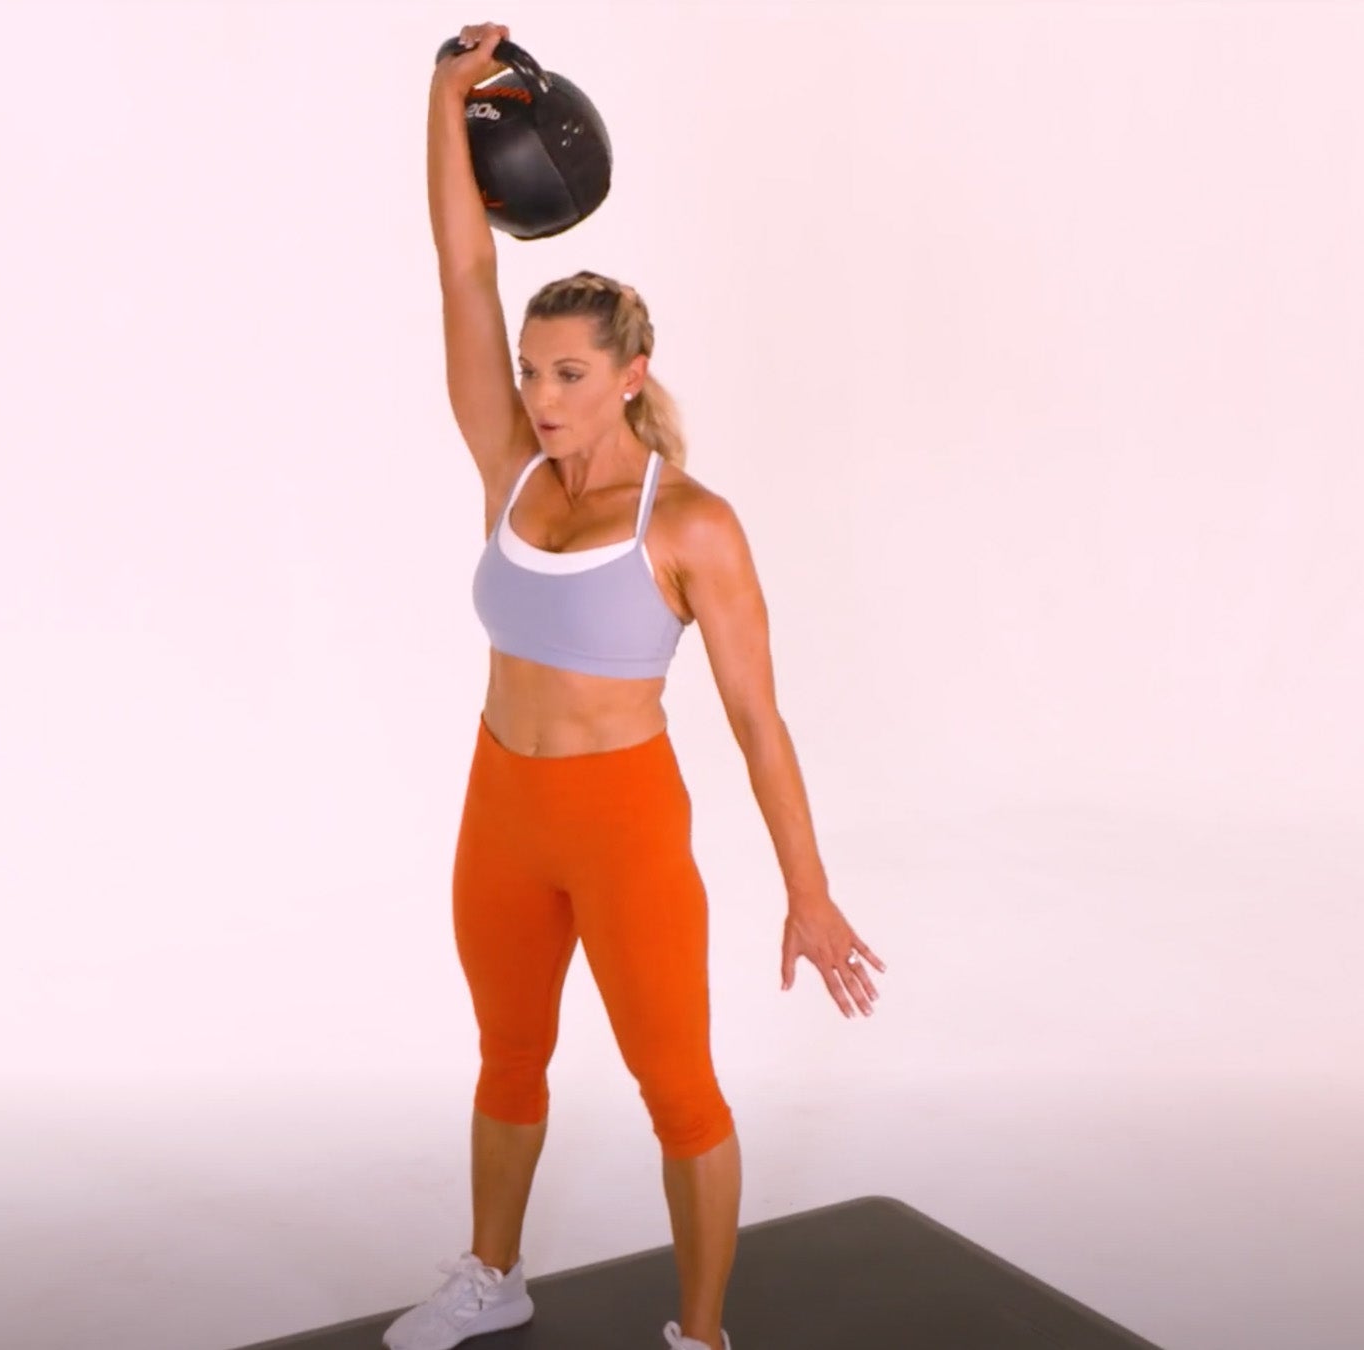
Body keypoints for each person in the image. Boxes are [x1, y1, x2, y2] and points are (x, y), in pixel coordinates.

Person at [384, 23, 887, 1350]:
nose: (539, 397)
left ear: (629, 377)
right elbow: (460, 268)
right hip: (500, 807)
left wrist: (812, 888)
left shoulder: (692, 525)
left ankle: (701, 1333)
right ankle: (494, 1273)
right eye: (533, 372)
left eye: (567, 376)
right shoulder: (509, 474)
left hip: (622, 827)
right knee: (506, 1060)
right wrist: (443, 99)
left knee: (679, 1088)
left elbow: (757, 720)